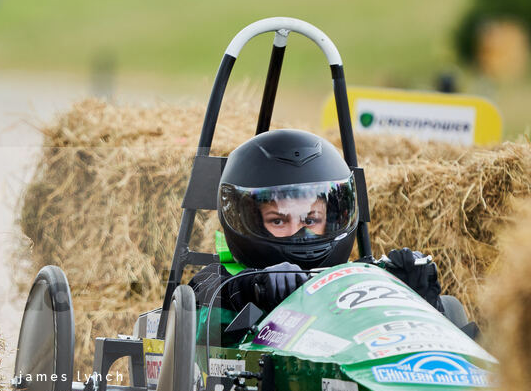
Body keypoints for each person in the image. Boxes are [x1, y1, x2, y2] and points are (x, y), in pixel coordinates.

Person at [189, 129, 441, 313]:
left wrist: (417, 294)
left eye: (310, 219)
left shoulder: (352, 276)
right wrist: (256, 285)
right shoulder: (219, 282)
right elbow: (199, 292)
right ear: (248, 222)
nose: (298, 231)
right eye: (278, 221)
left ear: (332, 219)